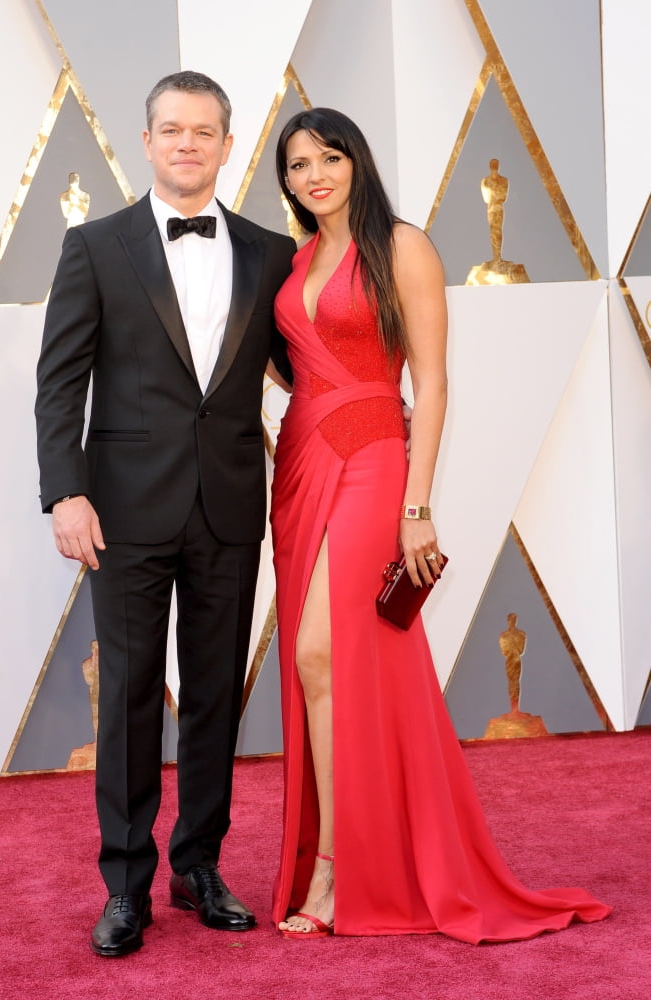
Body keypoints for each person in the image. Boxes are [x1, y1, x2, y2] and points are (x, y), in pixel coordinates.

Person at [269, 107, 611, 941]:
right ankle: (342, 848)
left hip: (376, 456)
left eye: (330, 157)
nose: (314, 174)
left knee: (325, 648)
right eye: (298, 164)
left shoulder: (404, 245)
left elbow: (434, 383)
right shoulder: (298, 258)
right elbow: (290, 363)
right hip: (303, 462)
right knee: (318, 664)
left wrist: (416, 507)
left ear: (358, 162)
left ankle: (336, 869)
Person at [35, 71, 295, 957]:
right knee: (131, 702)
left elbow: (305, 366)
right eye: (172, 129)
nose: (188, 143)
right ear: (146, 142)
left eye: (205, 131)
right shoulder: (95, 246)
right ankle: (125, 883)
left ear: (228, 146)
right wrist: (63, 491)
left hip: (229, 505)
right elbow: (61, 381)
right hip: (123, 512)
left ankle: (201, 865)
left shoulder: (271, 252)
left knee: (217, 697)